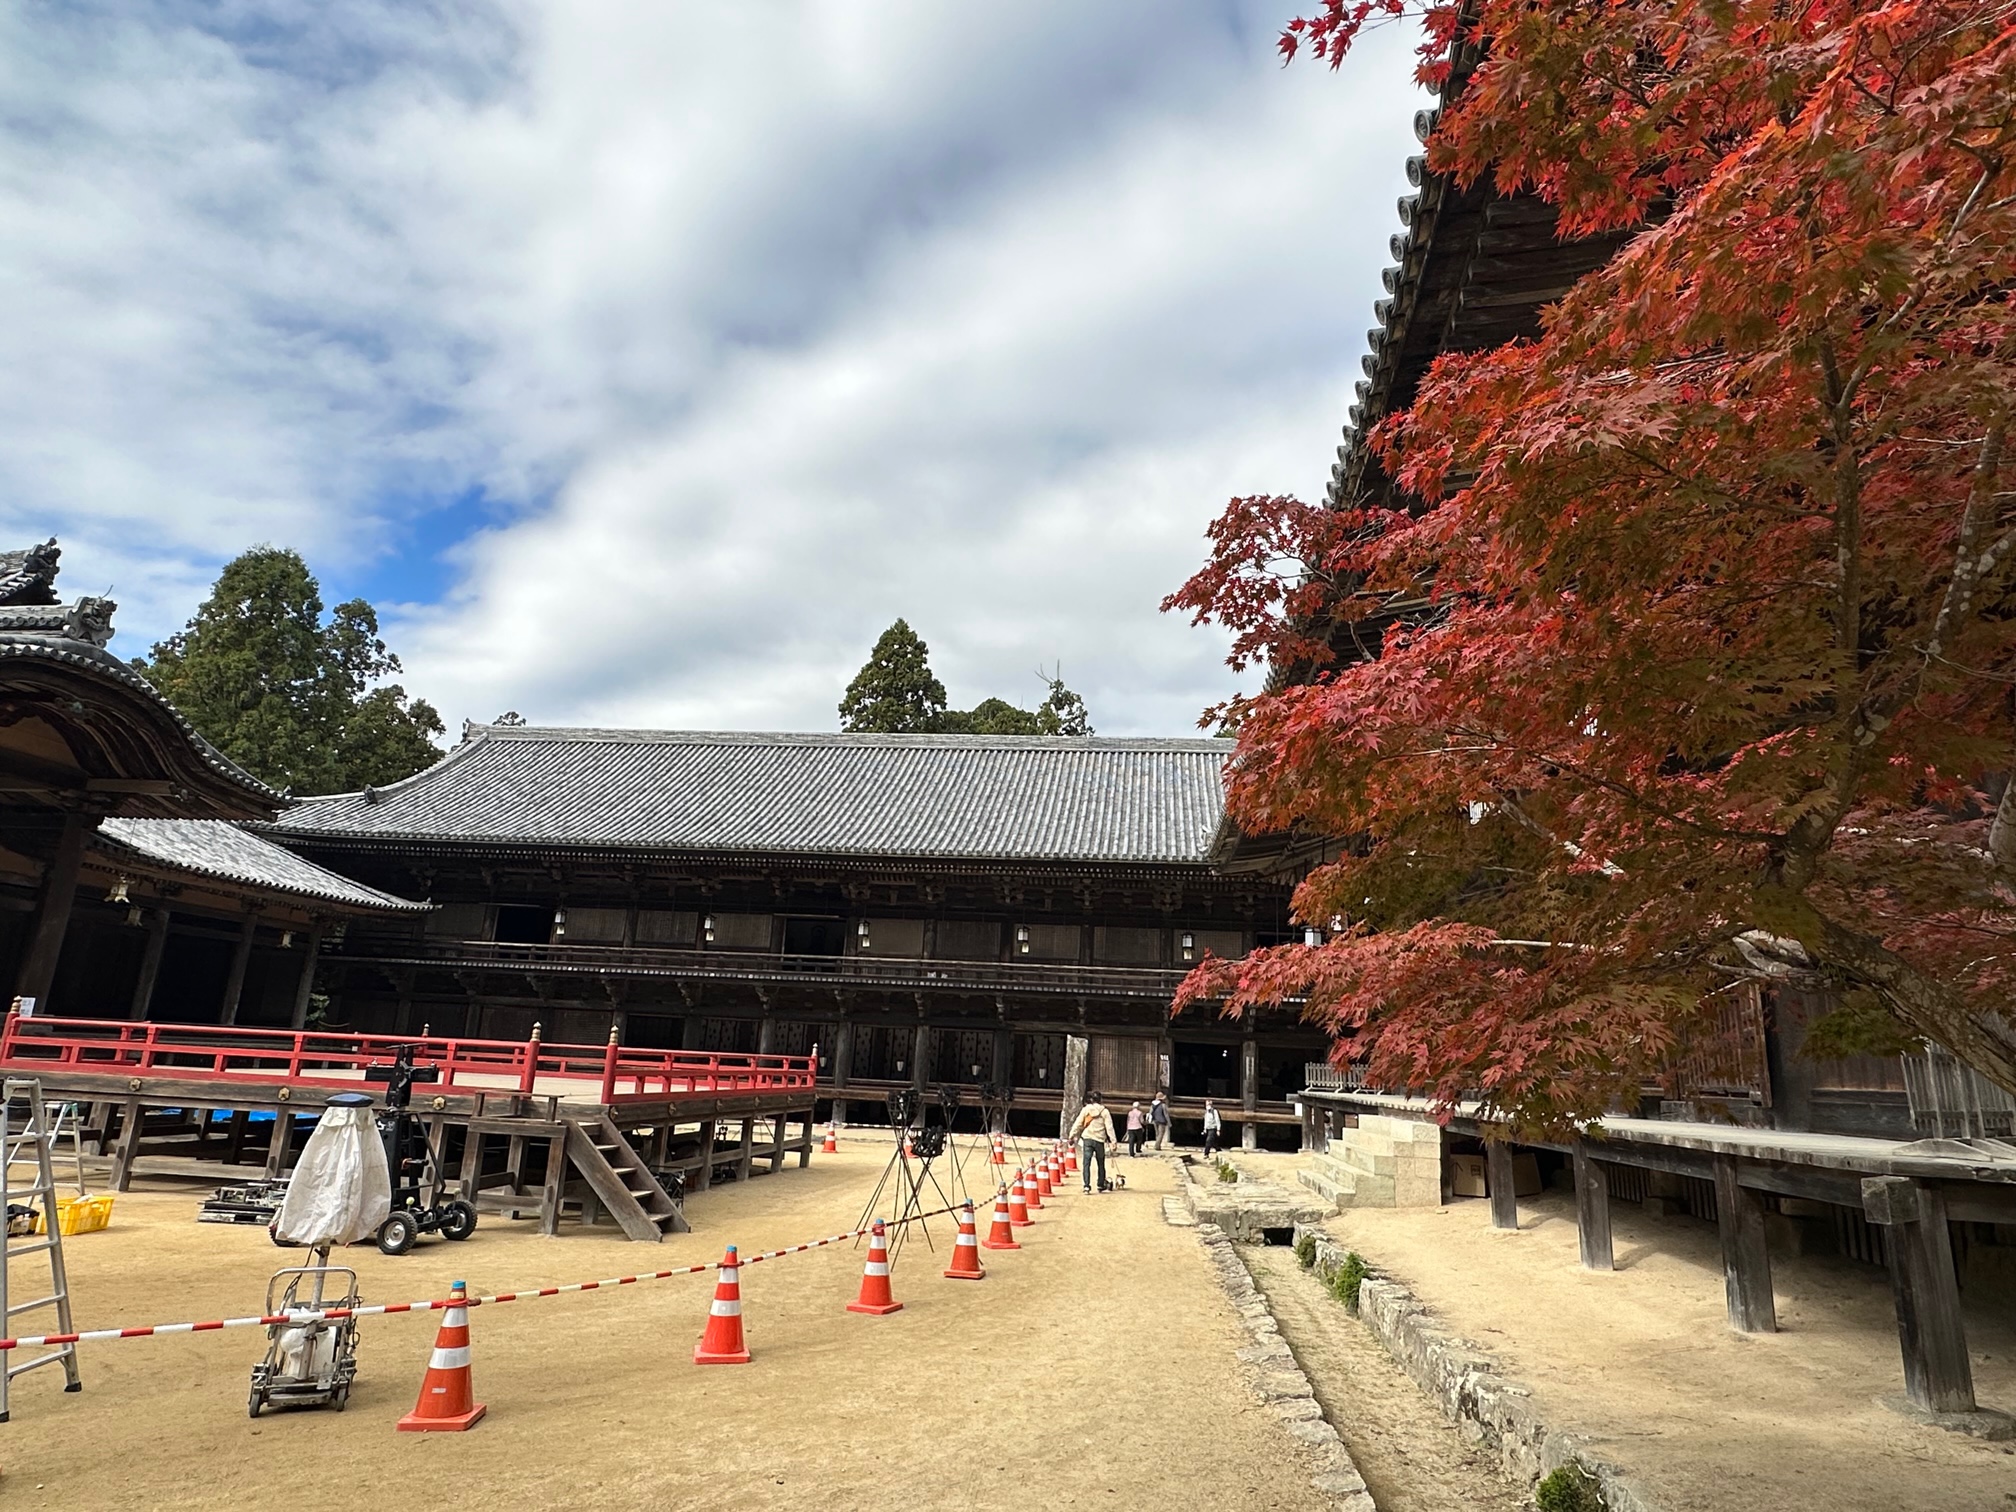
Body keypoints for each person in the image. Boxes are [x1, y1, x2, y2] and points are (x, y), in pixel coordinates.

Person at [1069, 1091, 1116, 1192]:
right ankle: (1100, 1184)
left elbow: (1078, 1123)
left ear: (1091, 1100)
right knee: (1100, 1163)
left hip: (1087, 1139)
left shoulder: (1086, 1109)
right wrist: (1113, 1141)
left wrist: (1071, 1135)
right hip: (1099, 1140)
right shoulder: (1105, 1112)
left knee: (1086, 1163)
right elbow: (1109, 1127)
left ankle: (1086, 1185)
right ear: (1100, 1100)